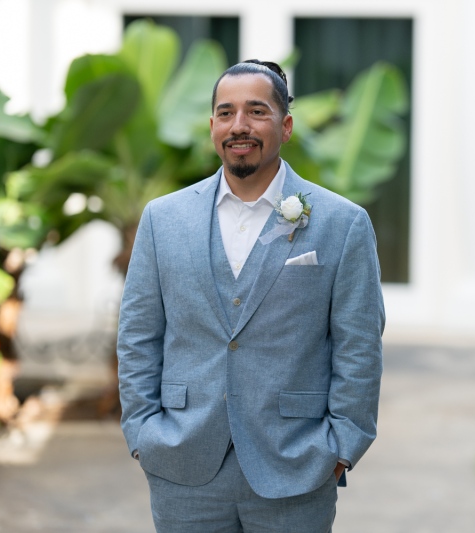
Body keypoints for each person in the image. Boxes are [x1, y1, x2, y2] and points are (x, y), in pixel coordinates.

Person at [117, 60, 384, 532]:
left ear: (285, 126)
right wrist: (143, 432)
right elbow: (139, 333)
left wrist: (342, 444)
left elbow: (359, 343)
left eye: (256, 111)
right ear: (213, 126)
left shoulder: (342, 223)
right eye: (226, 112)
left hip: (296, 465)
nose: (239, 126)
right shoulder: (163, 219)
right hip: (182, 465)